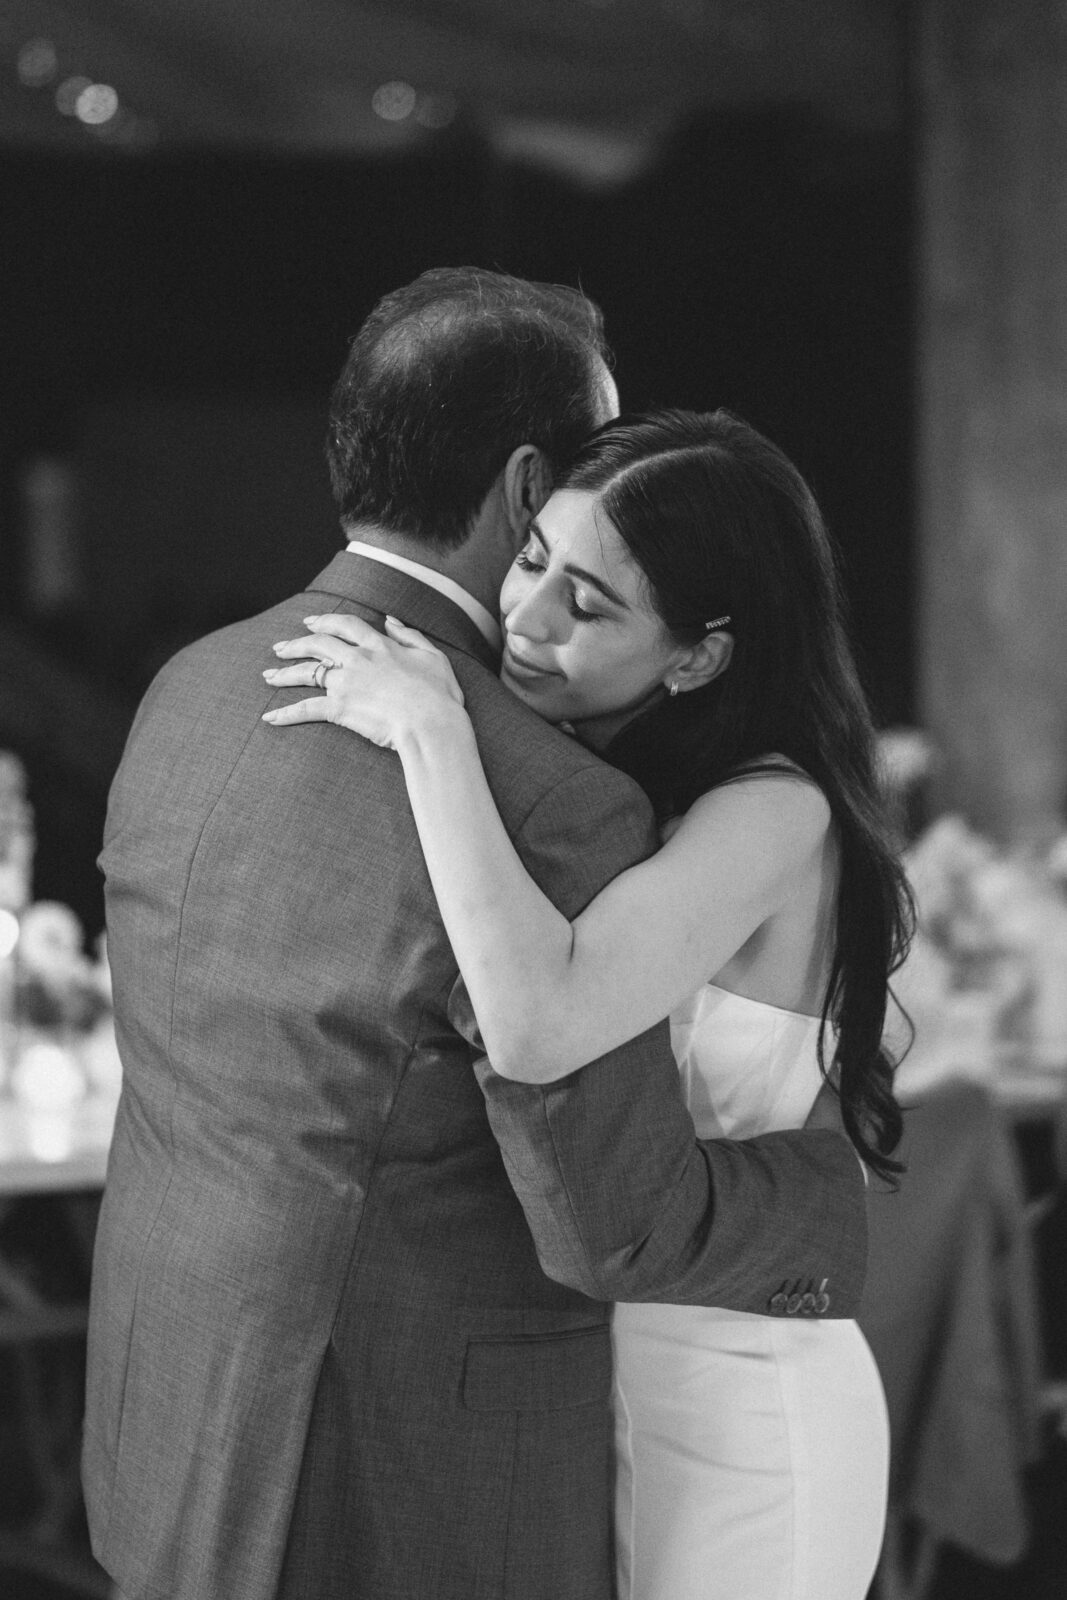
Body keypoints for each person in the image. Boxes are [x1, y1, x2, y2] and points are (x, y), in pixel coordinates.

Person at [84, 271, 868, 1600]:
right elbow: (605, 1226)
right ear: (522, 493)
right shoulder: (555, 802)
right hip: (413, 1457)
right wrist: (823, 1207)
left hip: (168, 1397)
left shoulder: (193, 687)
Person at [263, 407, 914, 1600]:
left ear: (697, 657)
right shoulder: (610, 784)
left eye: (591, 604)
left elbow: (537, 1023)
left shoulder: (776, 809)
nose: (526, 619)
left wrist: (430, 732)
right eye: (531, 562)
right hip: (595, 1382)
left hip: (737, 1411)